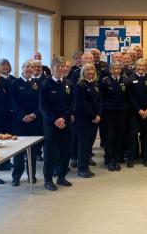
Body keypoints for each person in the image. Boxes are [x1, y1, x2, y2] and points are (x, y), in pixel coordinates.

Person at [39, 56, 74, 191]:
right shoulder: (45, 84)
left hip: (65, 122)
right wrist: (55, 120)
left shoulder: (69, 83)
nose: (60, 69)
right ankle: (48, 179)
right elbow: (43, 106)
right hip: (50, 123)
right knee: (50, 152)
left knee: (65, 150)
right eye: (58, 66)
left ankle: (61, 176)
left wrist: (64, 118)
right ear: (52, 68)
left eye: (62, 66)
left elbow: (72, 104)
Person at [9, 60, 42, 186]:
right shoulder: (15, 84)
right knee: (18, 151)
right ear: (22, 68)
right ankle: (16, 176)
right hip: (19, 122)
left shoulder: (37, 84)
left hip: (34, 121)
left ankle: (31, 175)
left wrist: (35, 114)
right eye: (27, 66)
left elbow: (41, 103)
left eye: (32, 67)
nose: (29, 69)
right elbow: (13, 103)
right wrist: (22, 116)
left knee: (32, 151)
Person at [127, 58, 147, 167]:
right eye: (139, 66)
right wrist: (139, 110)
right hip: (135, 112)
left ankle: (145, 157)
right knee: (132, 135)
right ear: (136, 67)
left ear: (146, 67)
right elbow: (129, 97)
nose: (141, 68)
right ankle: (131, 158)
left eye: (143, 66)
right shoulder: (130, 79)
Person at [100, 62, 129, 171]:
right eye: (113, 68)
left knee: (119, 135)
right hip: (108, 113)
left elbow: (127, 96)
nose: (116, 70)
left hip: (121, 112)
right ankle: (109, 159)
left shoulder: (125, 81)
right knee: (109, 136)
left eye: (118, 68)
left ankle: (117, 159)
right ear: (110, 70)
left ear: (120, 69)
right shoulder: (104, 81)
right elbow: (101, 97)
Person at [73, 63, 101, 178]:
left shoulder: (95, 84)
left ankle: (86, 166)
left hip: (95, 119)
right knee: (83, 144)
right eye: (87, 70)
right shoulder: (80, 85)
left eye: (92, 70)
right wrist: (93, 116)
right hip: (83, 120)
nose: (90, 72)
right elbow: (82, 104)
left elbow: (100, 101)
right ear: (83, 72)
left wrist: (99, 114)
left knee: (89, 144)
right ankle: (82, 168)